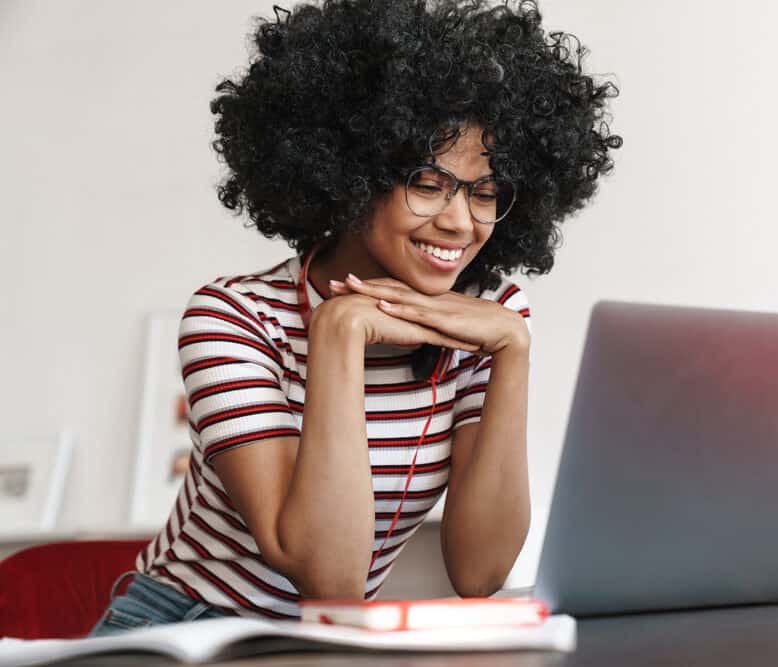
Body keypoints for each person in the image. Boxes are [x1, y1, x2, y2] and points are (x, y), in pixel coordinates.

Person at [90, 0, 620, 635]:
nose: (459, 221)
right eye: (428, 183)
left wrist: (513, 349)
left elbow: (480, 573)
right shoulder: (233, 318)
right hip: (182, 630)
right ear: (350, 177)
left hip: (324, 640)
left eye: (484, 192)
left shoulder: (488, 317)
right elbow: (329, 576)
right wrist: (339, 333)